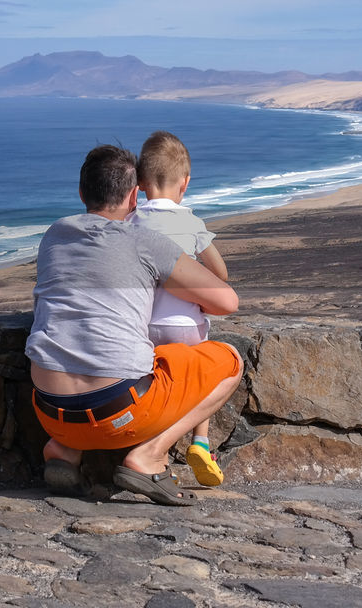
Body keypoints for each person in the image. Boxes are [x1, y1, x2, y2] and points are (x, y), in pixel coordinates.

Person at [25, 144, 242, 506]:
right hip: (120, 414)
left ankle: (65, 449)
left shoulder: (54, 236)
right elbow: (227, 302)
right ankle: (149, 457)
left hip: (49, 412)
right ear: (133, 196)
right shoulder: (145, 242)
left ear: (81, 193)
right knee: (231, 360)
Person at [127, 130, 228, 487]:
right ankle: (200, 441)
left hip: (142, 325)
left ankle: (138, 439)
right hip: (186, 325)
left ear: (139, 183)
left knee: (148, 381)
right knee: (204, 375)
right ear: (185, 184)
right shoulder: (189, 221)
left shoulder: (131, 220)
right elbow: (220, 274)